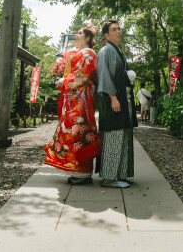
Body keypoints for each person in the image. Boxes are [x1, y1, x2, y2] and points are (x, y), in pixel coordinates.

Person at [43, 28, 100, 185]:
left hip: (80, 99)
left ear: (88, 37)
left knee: (80, 131)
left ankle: (84, 172)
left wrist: (65, 81)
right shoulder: (82, 53)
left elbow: (85, 75)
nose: (76, 36)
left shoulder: (89, 54)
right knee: (71, 131)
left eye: (80, 34)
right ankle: (75, 169)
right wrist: (66, 81)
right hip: (74, 97)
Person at [96, 19, 138, 188]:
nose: (118, 31)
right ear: (106, 35)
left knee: (123, 135)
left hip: (122, 99)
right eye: (114, 29)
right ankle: (109, 177)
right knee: (114, 135)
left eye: (119, 28)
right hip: (112, 99)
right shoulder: (106, 51)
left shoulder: (118, 51)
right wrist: (113, 98)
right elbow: (105, 76)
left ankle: (120, 173)